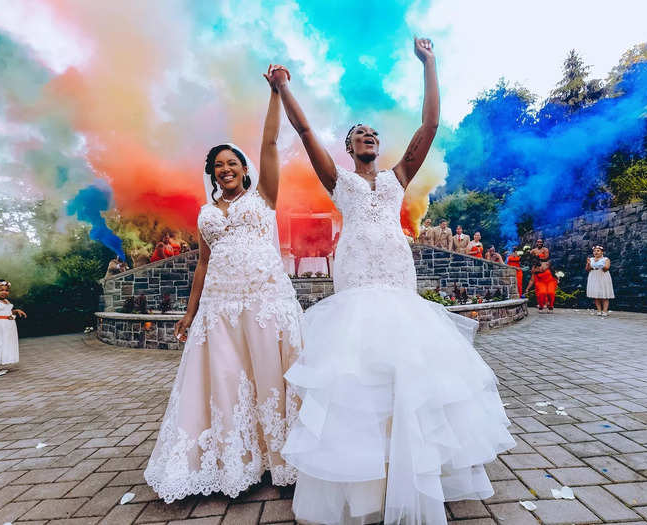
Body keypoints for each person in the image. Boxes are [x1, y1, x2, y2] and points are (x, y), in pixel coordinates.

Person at [270, 38, 514, 525]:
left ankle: (413, 464)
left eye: (373, 132)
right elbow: (303, 129)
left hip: (396, 273)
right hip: (358, 276)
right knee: (360, 365)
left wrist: (430, 63)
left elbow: (430, 125)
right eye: (360, 132)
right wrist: (281, 89)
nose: (369, 135)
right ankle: (368, 472)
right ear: (349, 146)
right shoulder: (339, 181)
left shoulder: (398, 178)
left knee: (406, 361)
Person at [144, 66, 303, 503]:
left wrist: (275, 93)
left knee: (272, 377)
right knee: (230, 381)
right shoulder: (206, 214)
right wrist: (190, 311)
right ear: (212, 174)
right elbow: (202, 265)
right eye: (219, 166)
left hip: (266, 301)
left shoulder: (264, 196)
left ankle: (284, 458)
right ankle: (238, 462)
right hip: (220, 307)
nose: (226, 169)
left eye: (232, 163)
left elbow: (270, 142)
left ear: (245, 170)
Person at [586, 245, 614, 316]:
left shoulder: (606, 259)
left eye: (598, 251)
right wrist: (588, 264)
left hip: (603, 276)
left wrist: (601, 265)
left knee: (604, 294)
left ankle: (605, 311)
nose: (596, 252)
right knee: (596, 294)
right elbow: (587, 269)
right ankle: (599, 310)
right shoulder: (591, 259)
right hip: (594, 277)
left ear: (602, 252)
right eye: (594, 251)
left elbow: (606, 268)